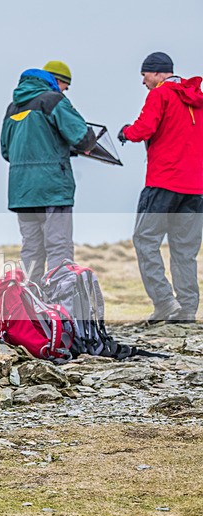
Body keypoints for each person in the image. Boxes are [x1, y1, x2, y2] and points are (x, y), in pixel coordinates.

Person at [118, 52, 203, 323]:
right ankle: (187, 309)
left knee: (145, 240)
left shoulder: (160, 94)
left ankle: (165, 302)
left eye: (144, 75)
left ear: (156, 72)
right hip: (196, 188)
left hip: (163, 183)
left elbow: (144, 128)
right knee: (185, 249)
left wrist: (126, 131)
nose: (143, 81)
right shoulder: (198, 100)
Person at [0, 65, 96, 281]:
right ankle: (59, 308)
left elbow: (6, 151)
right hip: (52, 188)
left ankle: (30, 307)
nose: (65, 91)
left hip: (22, 192)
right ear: (54, 82)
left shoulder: (12, 107)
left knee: (31, 251)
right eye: (65, 86)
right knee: (58, 249)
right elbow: (82, 137)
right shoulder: (53, 100)